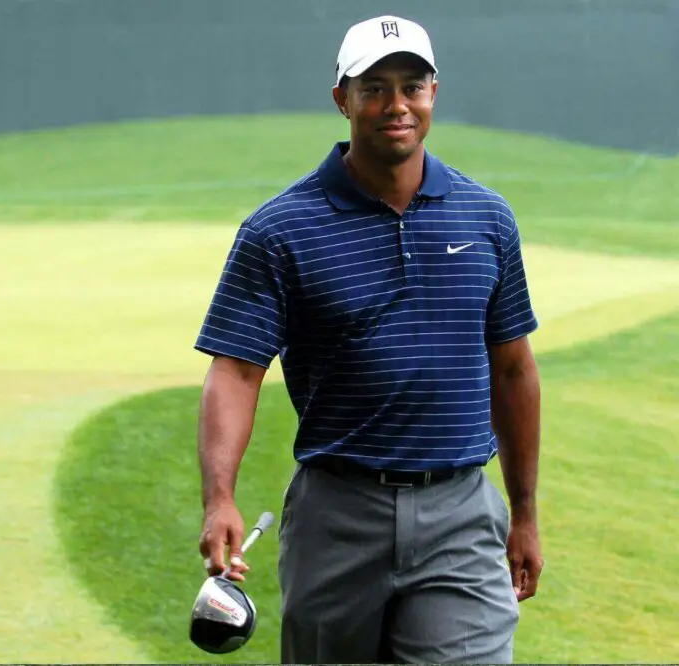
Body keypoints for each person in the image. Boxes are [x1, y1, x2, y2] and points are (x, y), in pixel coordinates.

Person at [193, 14, 544, 665]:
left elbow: (514, 370)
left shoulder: (487, 217)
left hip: (461, 512)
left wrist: (523, 512)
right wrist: (220, 499)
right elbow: (236, 372)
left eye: (412, 86)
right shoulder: (280, 230)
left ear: (434, 93)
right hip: (337, 513)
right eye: (374, 87)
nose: (396, 105)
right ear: (341, 99)